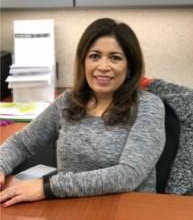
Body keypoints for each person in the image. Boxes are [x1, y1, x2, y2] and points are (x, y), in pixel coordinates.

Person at [0, 18, 165, 207]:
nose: (103, 66)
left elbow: (127, 175)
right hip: (71, 208)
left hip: (128, 209)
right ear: (83, 61)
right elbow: (21, 142)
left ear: (130, 67)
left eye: (115, 57)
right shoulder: (70, 100)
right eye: (94, 56)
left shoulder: (148, 106)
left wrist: (47, 188)